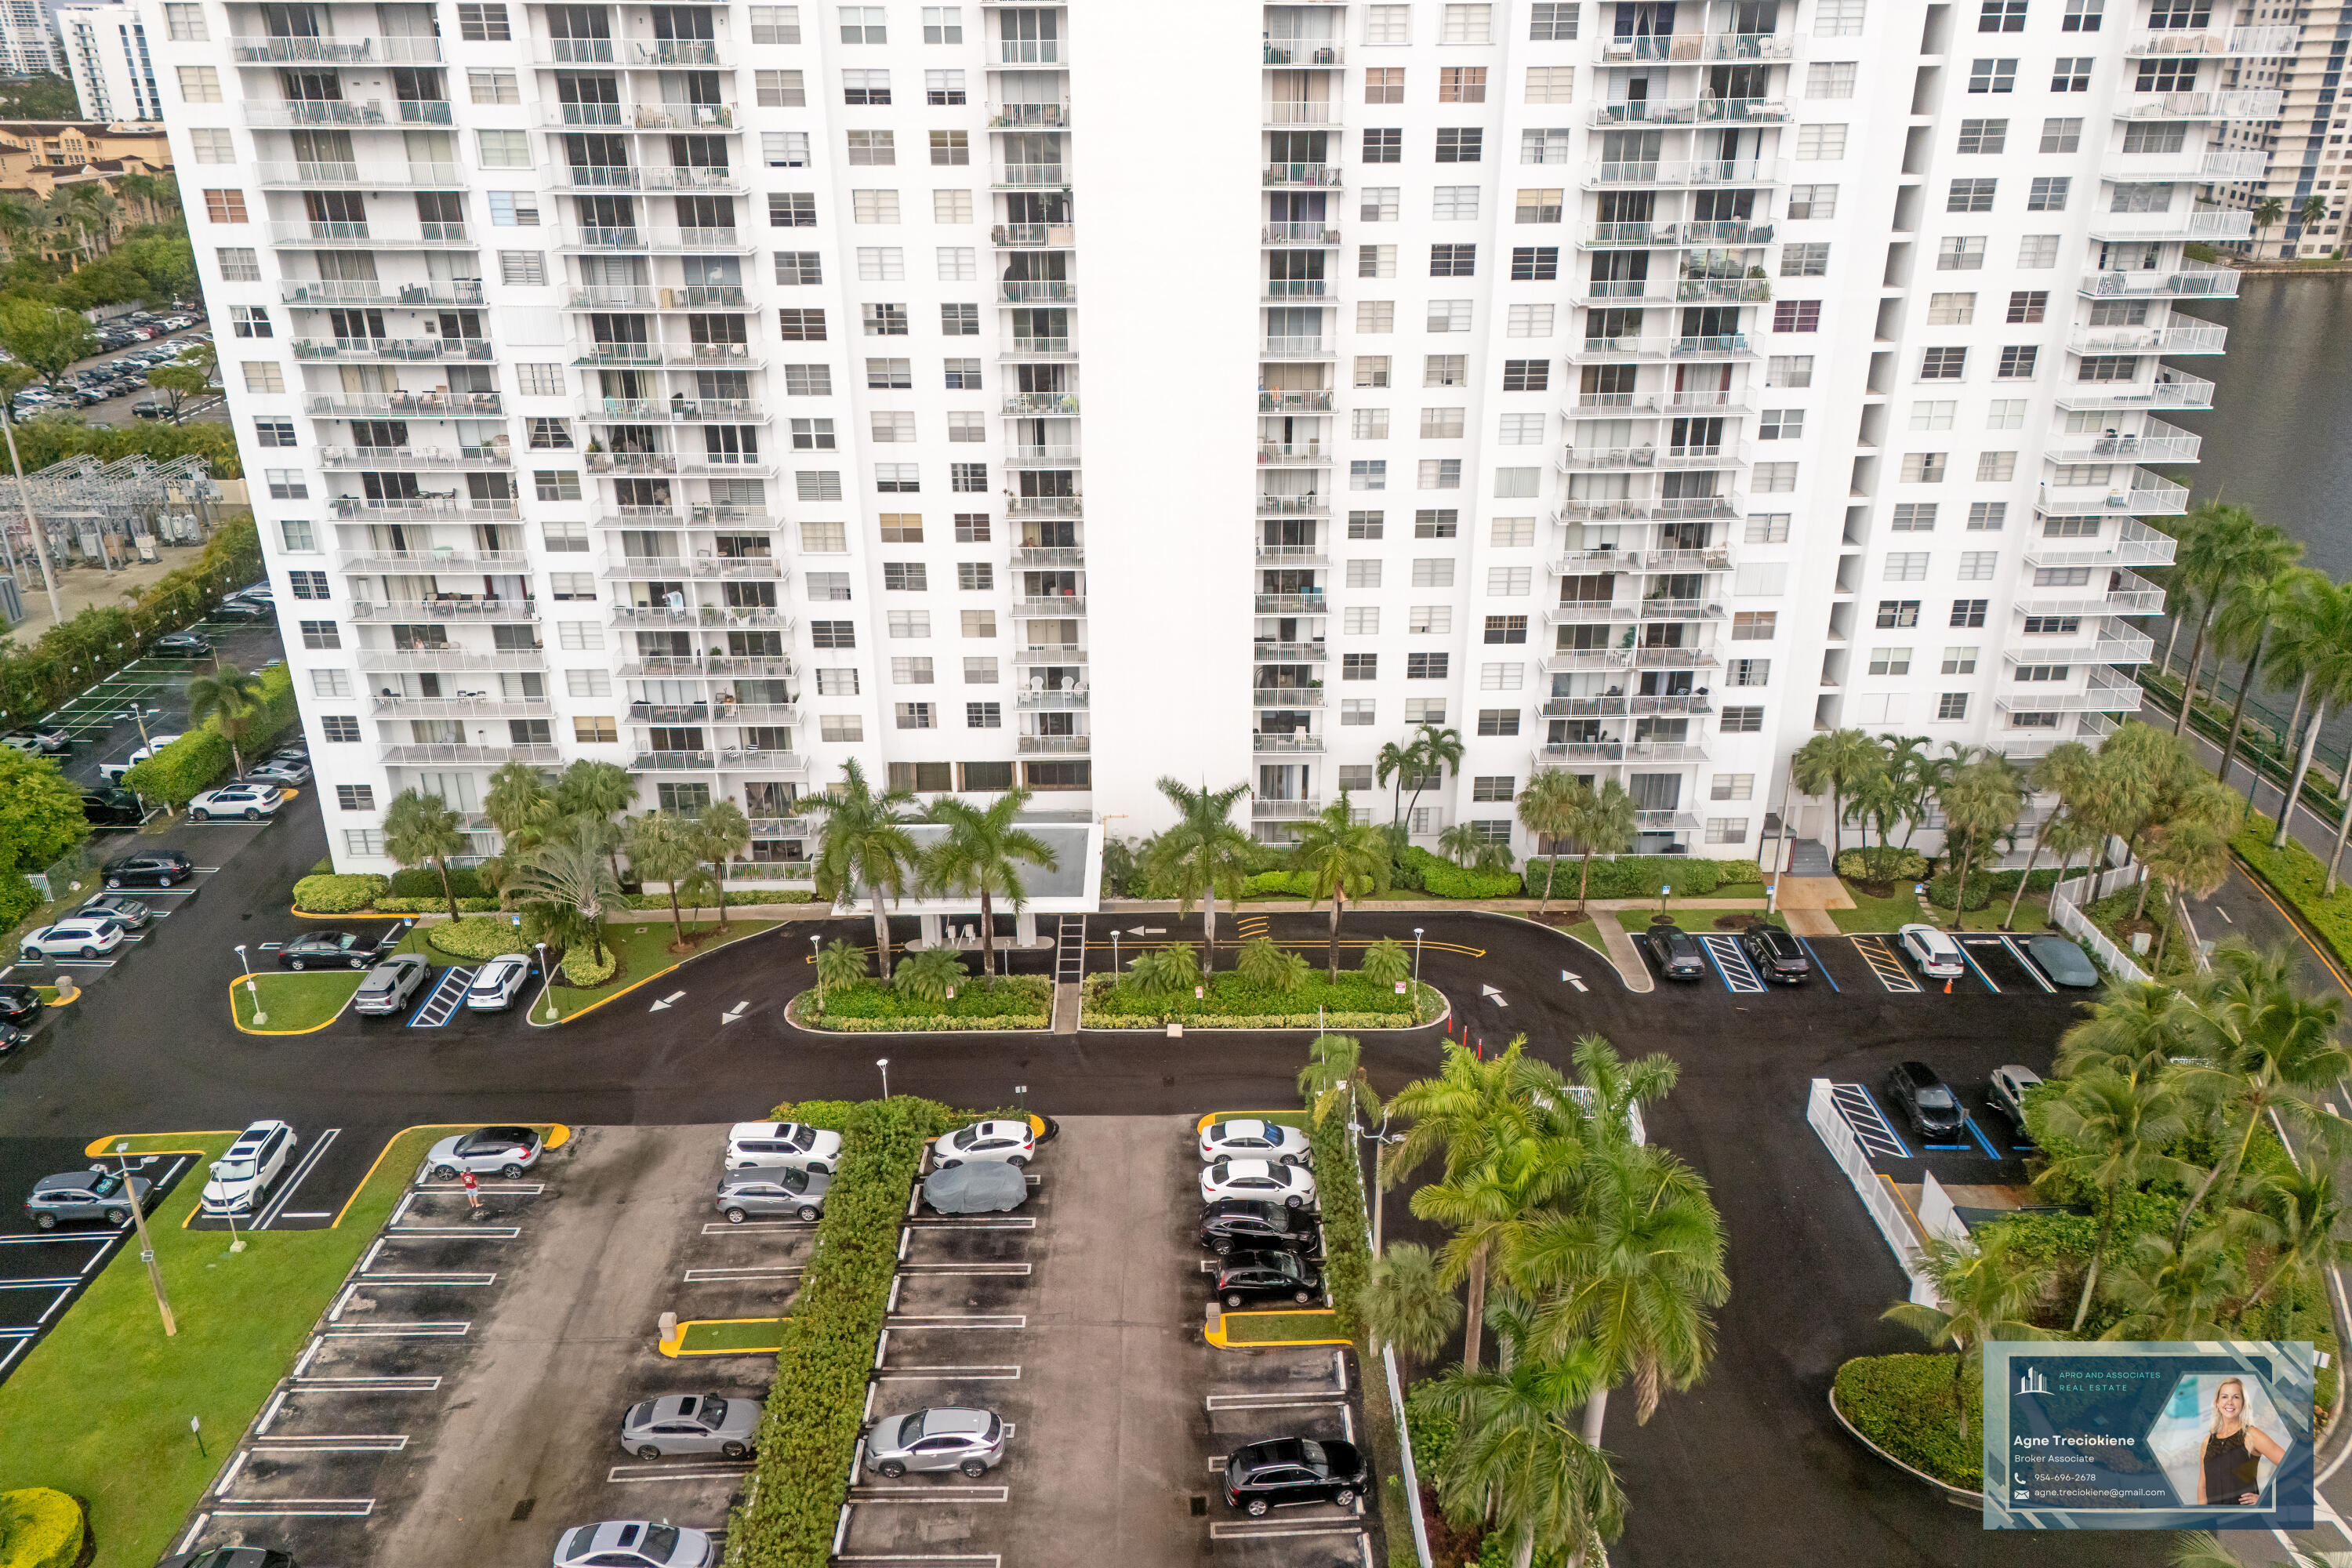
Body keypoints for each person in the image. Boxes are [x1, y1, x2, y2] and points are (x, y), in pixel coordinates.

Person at [2200, 1377, 2288, 1506]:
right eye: (2224, 1397)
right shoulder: (2207, 1442)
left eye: (2236, 1397)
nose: (2230, 1402)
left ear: (2243, 1403)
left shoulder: (2252, 1435)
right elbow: (2202, 1486)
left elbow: (2290, 1465)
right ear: (2217, 1403)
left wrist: (2266, 1498)